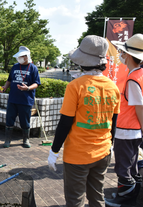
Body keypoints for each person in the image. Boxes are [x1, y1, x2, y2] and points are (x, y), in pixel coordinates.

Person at [47, 35, 121, 207]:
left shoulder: (75, 86)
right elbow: (114, 121)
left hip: (77, 155)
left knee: (75, 201)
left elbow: (65, 123)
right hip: (103, 152)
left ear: (82, 61)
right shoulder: (113, 87)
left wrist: (54, 150)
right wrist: (111, 144)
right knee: (97, 197)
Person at [105, 34, 143, 206]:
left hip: (127, 130)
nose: (120, 53)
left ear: (128, 55)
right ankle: (132, 193)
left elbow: (139, 107)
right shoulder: (139, 74)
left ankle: (126, 198)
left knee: (123, 166)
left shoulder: (133, 78)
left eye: (122, 51)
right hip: (133, 130)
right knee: (131, 164)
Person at [0, 46, 41, 148]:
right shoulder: (15, 67)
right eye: (19, 57)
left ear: (27, 57)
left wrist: (27, 88)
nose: (19, 58)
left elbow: (37, 83)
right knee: (9, 120)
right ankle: (7, 140)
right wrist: (5, 87)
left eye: (21, 56)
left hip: (26, 100)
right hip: (13, 99)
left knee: (25, 121)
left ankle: (25, 140)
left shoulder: (33, 68)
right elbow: (9, 80)